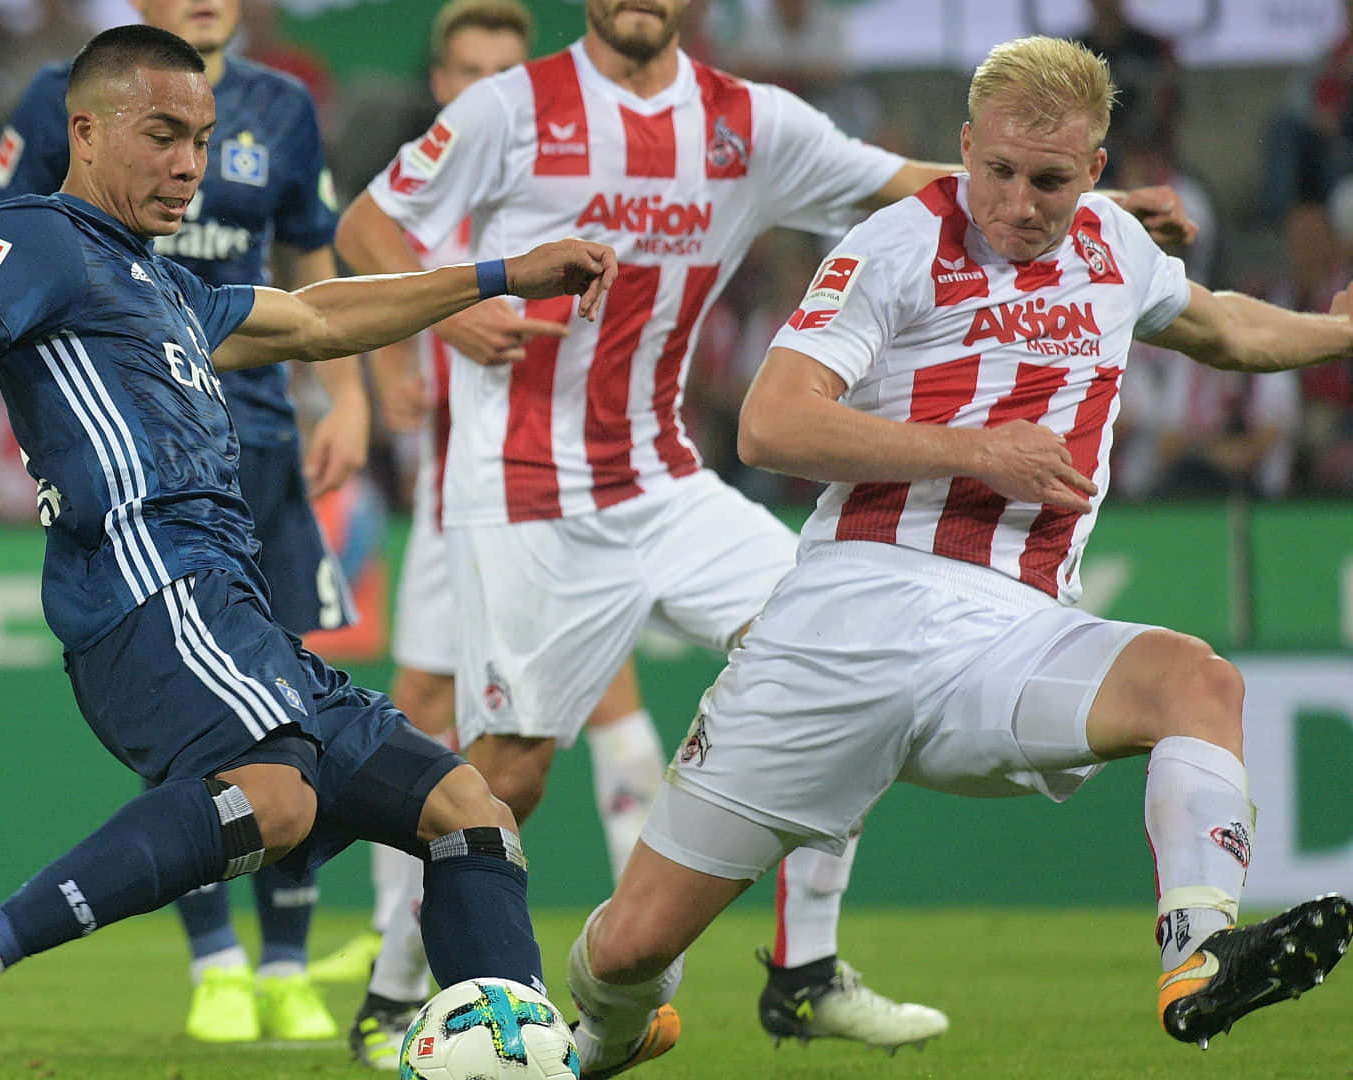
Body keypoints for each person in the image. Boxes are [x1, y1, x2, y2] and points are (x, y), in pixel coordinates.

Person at [0, 26, 616, 1080]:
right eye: (162, 135)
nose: (189, 164)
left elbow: (318, 319)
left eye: (200, 139)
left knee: (471, 814)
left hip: (234, 606)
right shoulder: (37, 240)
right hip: (147, 591)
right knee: (278, 798)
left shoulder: (166, 286)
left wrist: (501, 274)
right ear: (87, 131)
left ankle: (516, 1052)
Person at [338, 0, 1197, 1055]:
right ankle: (393, 995)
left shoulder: (749, 121)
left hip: (665, 479)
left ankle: (804, 973)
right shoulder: (512, 106)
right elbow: (367, 225)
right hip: (527, 487)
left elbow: (910, 178)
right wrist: (452, 306)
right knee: (508, 775)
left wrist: (1083, 195)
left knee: (842, 644)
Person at [563, 36, 1353, 1078]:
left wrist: (1337, 334)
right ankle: (604, 1037)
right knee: (630, 948)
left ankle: (1198, 960)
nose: (1019, 204)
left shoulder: (1117, 248)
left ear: (1096, 169)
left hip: (1008, 636)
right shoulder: (895, 244)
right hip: (840, 630)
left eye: (1051, 182)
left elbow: (1227, 331)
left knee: (1197, 683)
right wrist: (975, 451)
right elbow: (770, 423)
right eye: (1000, 172)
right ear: (967, 145)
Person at [0, 0, 373, 1045]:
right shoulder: (69, 99)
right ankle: (216, 963)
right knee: (198, 708)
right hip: (139, 442)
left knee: (290, 700)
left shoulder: (284, 106)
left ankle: (285, 965)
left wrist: (348, 398)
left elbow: (311, 264)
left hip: (259, 434)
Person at [335, 2, 664, 1068]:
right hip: (456, 509)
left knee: (592, 716)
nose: (487, 90)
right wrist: (399, 364)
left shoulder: (565, 202)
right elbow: (351, 280)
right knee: (435, 740)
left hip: (566, 498)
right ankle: (401, 977)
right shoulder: (422, 215)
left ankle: (638, 976)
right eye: (468, 72)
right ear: (440, 85)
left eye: (504, 73)